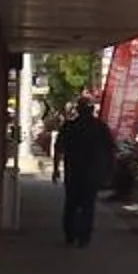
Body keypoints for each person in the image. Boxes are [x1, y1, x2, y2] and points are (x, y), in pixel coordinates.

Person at [55, 97, 116, 248]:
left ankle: (70, 234)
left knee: (71, 204)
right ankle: (83, 237)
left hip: (74, 172)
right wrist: (109, 170)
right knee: (88, 206)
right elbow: (111, 150)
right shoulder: (100, 127)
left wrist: (56, 169)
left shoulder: (70, 126)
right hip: (92, 174)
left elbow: (58, 148)